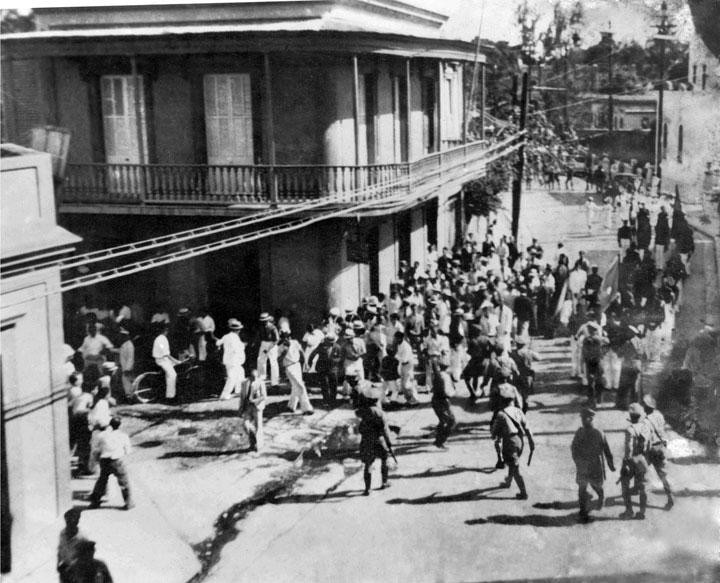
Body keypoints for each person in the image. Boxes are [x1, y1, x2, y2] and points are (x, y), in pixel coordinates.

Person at [570, 408, 615, 523]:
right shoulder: (579, 432)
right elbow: (573, 447)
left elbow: (606, 449)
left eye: (586, 418)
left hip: (595, 463)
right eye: (582, 418)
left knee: (596, 485)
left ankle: (601, 496)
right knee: (582, 487)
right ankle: (583, 511)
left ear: (591, 419)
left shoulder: (598, 432)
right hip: (583, 464)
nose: (583, 421)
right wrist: (577, 460)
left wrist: (610, 464)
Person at [491, 384, 535, 499]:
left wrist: (495, 436)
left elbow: (494, 432)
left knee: (515, 468)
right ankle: (508, 483)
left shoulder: (501, 414)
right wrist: (531, 442)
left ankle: (523, 493)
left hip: (509, 442)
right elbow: (527, 428)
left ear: (502, 400)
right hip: (520, 441)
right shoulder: (519, 411)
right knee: (512, 463)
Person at [356, 385, 395, 495]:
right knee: (384, 459)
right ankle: (384, 481)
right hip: (379, 440)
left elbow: (360, 427)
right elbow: (385, 429)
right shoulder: (380, 413)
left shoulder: (362, 411)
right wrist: (389, 442)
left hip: (366, 440)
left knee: (368, 464)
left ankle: (367, 488)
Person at [88, 416, 133, 510]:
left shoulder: (102, 435)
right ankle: (128, 503)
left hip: (105, 460)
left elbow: (96, 449)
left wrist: (96, 459)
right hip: (117, 460)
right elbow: (128, 451)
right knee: (124, 483)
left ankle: (95, 502)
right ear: (119, 426)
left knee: (102, 481)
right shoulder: (123, 436)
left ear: (110, 424)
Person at [619, 403, 651, 519]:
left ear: (631, 416)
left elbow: (628, 447)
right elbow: (648, 446)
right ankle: (642, 512)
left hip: (632, 460)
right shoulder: (645, 428)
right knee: (643, 487)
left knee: (625, 485)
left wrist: (626, 463)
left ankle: (629, 511)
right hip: (642, 460)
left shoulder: (630, 430)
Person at [642, 395, 674, 510]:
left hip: (650, 449)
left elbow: (645, 437)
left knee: (642, 472)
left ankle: (643, 502)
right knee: (662, 474)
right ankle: (670, 496)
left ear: (647, 406)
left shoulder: (645, 419)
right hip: (660, 447)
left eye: (644, 405)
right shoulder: (659, 415)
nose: (643, 407)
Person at [279, 330, 314, 414]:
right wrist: (284, 352)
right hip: (289, 366)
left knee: (296, 386)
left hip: (297, 365)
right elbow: (279, 359)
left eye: (287, 336)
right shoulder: (280, 346)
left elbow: (301, 351)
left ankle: (291, 406)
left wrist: (305, 363)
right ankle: (307, 408)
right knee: (300, 386)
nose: (286, 338)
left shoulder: (295, 342)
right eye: (284, 336)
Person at [309, 332, 343, 407]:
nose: (330, 344)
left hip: (333, 368)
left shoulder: (337, 347)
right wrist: (310, 362)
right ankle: (326, 400)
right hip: (322, 367)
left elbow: (340, 357)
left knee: (333, 384)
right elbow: (313, 353)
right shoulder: (321, 346)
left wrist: (334, 361)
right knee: (324, 384)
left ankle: (333, 400)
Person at [57, 507, 90, 582]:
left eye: (71, 522)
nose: (68, 524)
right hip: (64, 568)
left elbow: (87, 557)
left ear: (77, 522)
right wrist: (58, 563)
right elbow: (59, 549)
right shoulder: (62, 533)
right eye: (67, 521)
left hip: (77, 571)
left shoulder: (82, 538)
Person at [217, 318, 246, 400]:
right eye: (239, 329)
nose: (239, 331)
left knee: (240, 373)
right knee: (232, 377)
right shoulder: (235, 338)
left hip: (229, 360)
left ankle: (238, 391)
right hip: (233, 360)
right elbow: (236, 348)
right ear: (237, 330)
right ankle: (224, 395)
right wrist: (243, 346)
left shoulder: (226, 336)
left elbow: (218, 343)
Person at [239, 369, 267, 451]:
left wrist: (255, 401)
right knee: (246, 425)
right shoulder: (244, 383)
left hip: (257, 407)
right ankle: (254, 439)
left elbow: (264, 396)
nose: (254, 379)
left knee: (259, 426)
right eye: (252, 377)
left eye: (255, 377)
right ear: (249, 377)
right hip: (247, 407)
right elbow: (242, 397)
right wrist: (240, 408)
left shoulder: (261, 383)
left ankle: (257, 445)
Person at [152, 322, 181, 401]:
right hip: (162, 360)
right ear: (165, 330)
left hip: (164, 359)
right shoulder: (162, 339)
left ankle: (174, 393)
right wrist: (176, 361)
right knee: (172, 375)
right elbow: (166, 354)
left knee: (177, 369)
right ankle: (170, 396)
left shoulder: (160, 338)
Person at [431, 361, 456, 449]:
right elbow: (447, 392)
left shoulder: (438, 376)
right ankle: (440, 441)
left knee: (443, 421)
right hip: (443, 401)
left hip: (436, 401)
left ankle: (438, 438)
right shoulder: (444, 377)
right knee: (451, 421)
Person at [257, 312, 280, 387]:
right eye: (262, 321)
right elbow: (260, 337)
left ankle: (275, 382)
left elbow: (276, 340)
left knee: (273, 362)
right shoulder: (261, 327)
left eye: (265, 320)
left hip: (272, 344)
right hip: (264, 344)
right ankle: (262, 379)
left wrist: (269, 348)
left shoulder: (272, 327)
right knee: (261, 360)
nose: (263, 322)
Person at [118, 327, 135, 400]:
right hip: (124, 367)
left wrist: (128, 369)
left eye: (123, 335)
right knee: (126, 382)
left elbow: (130, 358)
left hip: (128, 368)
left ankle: (130, 397)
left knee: (127, 381)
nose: (121, 337)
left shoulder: (129, 345)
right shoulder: (124, 344)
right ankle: (130, 396)